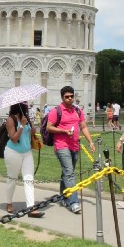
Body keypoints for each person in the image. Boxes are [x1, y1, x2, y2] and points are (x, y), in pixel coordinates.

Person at [45, 86, 95, 214]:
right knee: (69, 173)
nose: (69, 98)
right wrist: (63, 131)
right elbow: (49, 127)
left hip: (75, 145)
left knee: (67, 172)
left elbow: (83, 127)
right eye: (67, 97)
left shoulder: (78, 111)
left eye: (71, 96)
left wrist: (90, 141)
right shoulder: (56, 111)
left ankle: (63, 197)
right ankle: (74, 202)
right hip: (61, 145)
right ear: (62, 97)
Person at [4, 102, 44, 218]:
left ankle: (31, 207)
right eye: (25, 105)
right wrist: (21, 125)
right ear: (19, 106)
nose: (27, 108)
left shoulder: (26, 119)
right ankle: (9, 203)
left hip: (27, 153)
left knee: (29, 179)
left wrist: (32, 132)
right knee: (12, 178)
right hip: (13, 152)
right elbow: (14, 138)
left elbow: (28, 136)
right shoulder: (11, 120)